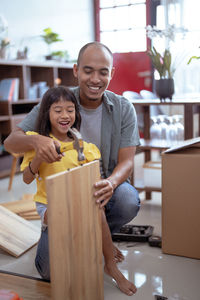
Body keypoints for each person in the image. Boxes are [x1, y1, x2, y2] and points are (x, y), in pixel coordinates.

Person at [4, 41, 140, 262]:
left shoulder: (124, 108)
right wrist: (37, 141)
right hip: (63, 193)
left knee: (127, 199)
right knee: (50, 270)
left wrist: (111, 183)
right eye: (88, 71)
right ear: (76, 70)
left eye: (103, 72)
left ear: (111, 73)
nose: (95, 79)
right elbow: (11, 142)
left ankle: (95, 237)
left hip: (102, 185)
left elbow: (127, 162)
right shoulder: (57, 100)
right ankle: (72, 237)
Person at [20, 86, 137, 296]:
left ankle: (110, 265)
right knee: (48, 273)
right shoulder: (37, 141)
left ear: (76, 113)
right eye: (57, 110)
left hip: (83, 204)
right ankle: (58, 243)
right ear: (46, 112)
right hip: (51, 208)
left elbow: (96, 184)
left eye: (70, 109)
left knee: (98, 207)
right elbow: (27, 178)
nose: (65, 115)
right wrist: (39, 157)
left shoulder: (88, 148)